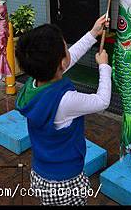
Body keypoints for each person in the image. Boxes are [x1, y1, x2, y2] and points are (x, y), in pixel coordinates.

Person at [15, 15, 111, 206]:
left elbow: (69, 59)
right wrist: (104, 66)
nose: (69, 50)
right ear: (60, 63)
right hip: (67, 181)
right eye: (65, 48)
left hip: (41, 175)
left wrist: (93, 34)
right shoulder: (65, 101)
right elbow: (102, 101)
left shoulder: (33, 84)